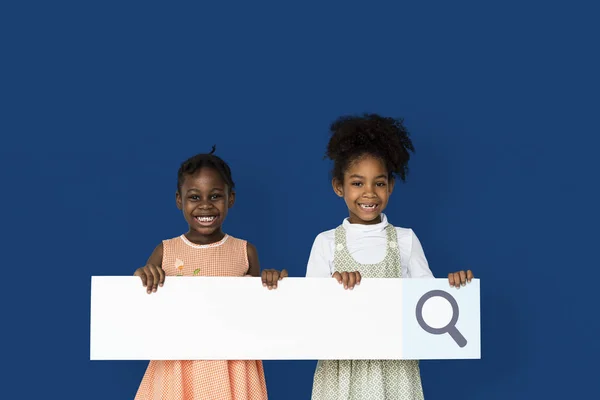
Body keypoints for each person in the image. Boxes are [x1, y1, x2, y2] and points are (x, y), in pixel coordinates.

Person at [306, 114, 474, 399]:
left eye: (379, 183)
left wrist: (453, 287)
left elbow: (430, 307)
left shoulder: (406, 240)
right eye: (357, 183)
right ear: (339, 186)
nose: (369, 192)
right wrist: (333, 287)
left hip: (395, 369)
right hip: (343, 370)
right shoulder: (326, 242)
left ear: (391, 186)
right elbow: (310, 309)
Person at [133, 147, 286, 399]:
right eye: (194, 197)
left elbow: (258, 313)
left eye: (215, 196)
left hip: (232, 364)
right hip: (178, 363)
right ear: (179, 200)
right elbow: (140, 305)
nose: (205, 205)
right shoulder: (165, 250)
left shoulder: (245, 251)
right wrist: (143, 275)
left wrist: (269, 283)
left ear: (231, 199)